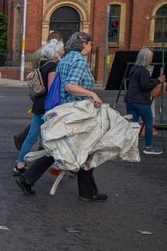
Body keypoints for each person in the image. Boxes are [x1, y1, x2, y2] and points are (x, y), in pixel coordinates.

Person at [16, 32, 108, 202]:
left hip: (65, 109)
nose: (90, 47)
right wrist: (92, 94)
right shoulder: (79, 60)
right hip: (77, 112)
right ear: (84, 44)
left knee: (63, 148)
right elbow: (70, 85)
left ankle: (27, 178)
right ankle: (87, 192)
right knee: (85, 148)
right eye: (89, 43)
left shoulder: (65, 59)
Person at [13, 39, 64, 175]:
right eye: (61, 50)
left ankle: (19, 164)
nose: (62, 52)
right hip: (47, 107)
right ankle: (57, 166)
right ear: (55, 53)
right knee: (54, 138)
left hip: (38, 104)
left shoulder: (42, 64)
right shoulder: (53, 66)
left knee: (31, 137)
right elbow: (52, 89)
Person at [125, 48, 165, 155]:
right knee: (148, 123)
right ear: (147, 59)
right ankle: (148, 147)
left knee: (133, 124)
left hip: (130, 101)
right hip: (141, 101)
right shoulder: (143, 71)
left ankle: (130, 148)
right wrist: (157, 81)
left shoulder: (133, 68)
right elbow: (145, 86)